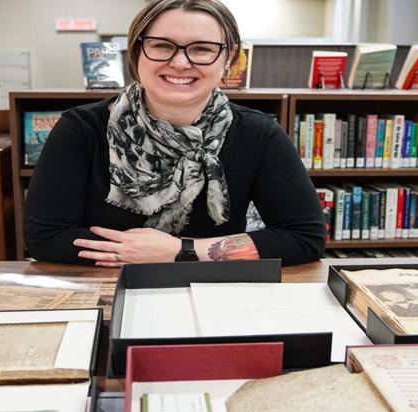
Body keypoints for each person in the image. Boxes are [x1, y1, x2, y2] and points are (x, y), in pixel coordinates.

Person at [23, 0, 325, 267]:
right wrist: (136, 254)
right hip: (108, 290)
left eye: (202, 49)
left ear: (228, 59)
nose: (180, 63)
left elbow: (304, 238)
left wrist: (182, 251)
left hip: (213, 296)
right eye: (162, 45)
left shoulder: (258, 134)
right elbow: (45, 236)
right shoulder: (81, 129)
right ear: (137, 51)